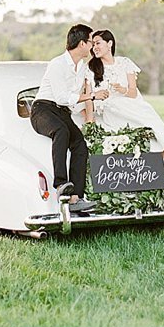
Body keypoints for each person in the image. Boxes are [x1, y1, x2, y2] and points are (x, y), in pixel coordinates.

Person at [83, 29, 164, 189]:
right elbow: (89, 98)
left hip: (133, 106)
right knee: (153, 133)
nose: (94, 48)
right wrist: (90, 122)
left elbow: (132, 93)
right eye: (93, 45)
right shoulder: (91, 68)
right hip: (113, 111)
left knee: (156, 134)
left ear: (109, 43)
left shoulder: (125, 63)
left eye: (98, 43)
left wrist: (122, 89)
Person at [31, 24, 110, 212]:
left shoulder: (82, 67)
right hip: (43, 109)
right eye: (91, 42)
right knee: (61, 130)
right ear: (82, 43)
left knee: (80, 145)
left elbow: (76, 98)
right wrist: (91, 96)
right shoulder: (57, 64)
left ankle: (77, 197)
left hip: (62, 112)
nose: (92, 46)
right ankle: (61, 185)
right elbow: (61, 97)